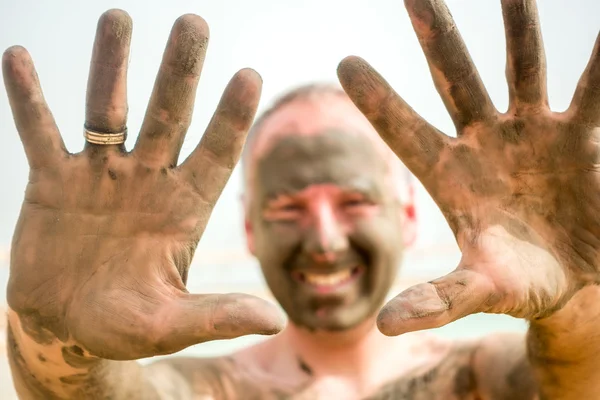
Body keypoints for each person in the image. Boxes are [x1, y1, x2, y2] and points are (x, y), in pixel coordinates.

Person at [4, 0, 600, 399]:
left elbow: (570, 380)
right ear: (250, 230)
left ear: (409, 216)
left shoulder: (479, 376)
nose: (323, 239)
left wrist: (578, 301)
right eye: (287, 209)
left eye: (354, 203)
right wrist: (50, 333)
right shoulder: (209, 389)